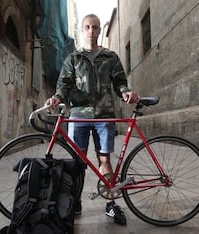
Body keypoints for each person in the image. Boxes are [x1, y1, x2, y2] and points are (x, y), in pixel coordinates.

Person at [46, 14, 140, 226]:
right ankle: (74, 202)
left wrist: (125, 92)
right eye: (87, 27)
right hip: (78, 116)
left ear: (99, 31)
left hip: (104, 115)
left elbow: (120, 82)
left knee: (104, 160)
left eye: (95, 27)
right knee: (76, 164)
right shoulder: (73, 58)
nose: (91, 31)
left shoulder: (111, 57)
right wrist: (57, 98)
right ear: (82, 29)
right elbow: (64, 85)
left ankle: (110, 204)